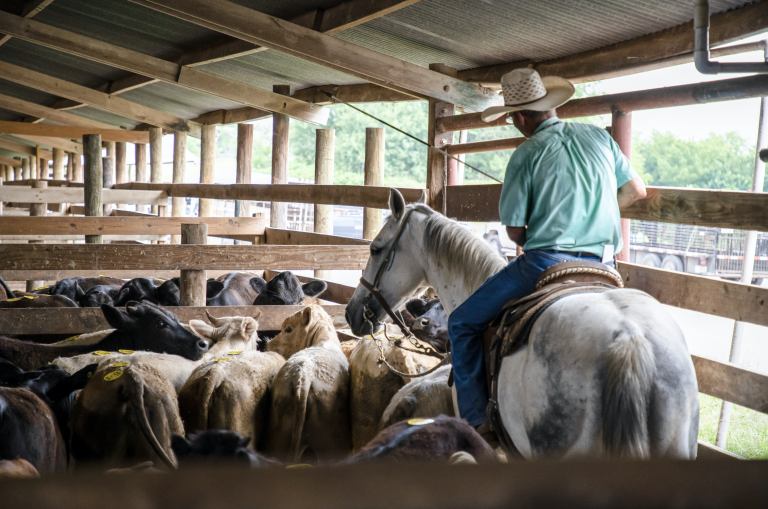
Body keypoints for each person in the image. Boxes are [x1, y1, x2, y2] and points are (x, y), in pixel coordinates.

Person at [447, 68, 647, 445]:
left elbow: (516, 232)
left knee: (461, 323)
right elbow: (636, 189)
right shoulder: (597, 138)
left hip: (545, 263)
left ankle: (477, 427)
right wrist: (601, 208)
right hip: (603, 264)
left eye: (511, 118)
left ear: (521, 117)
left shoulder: (526, 153)